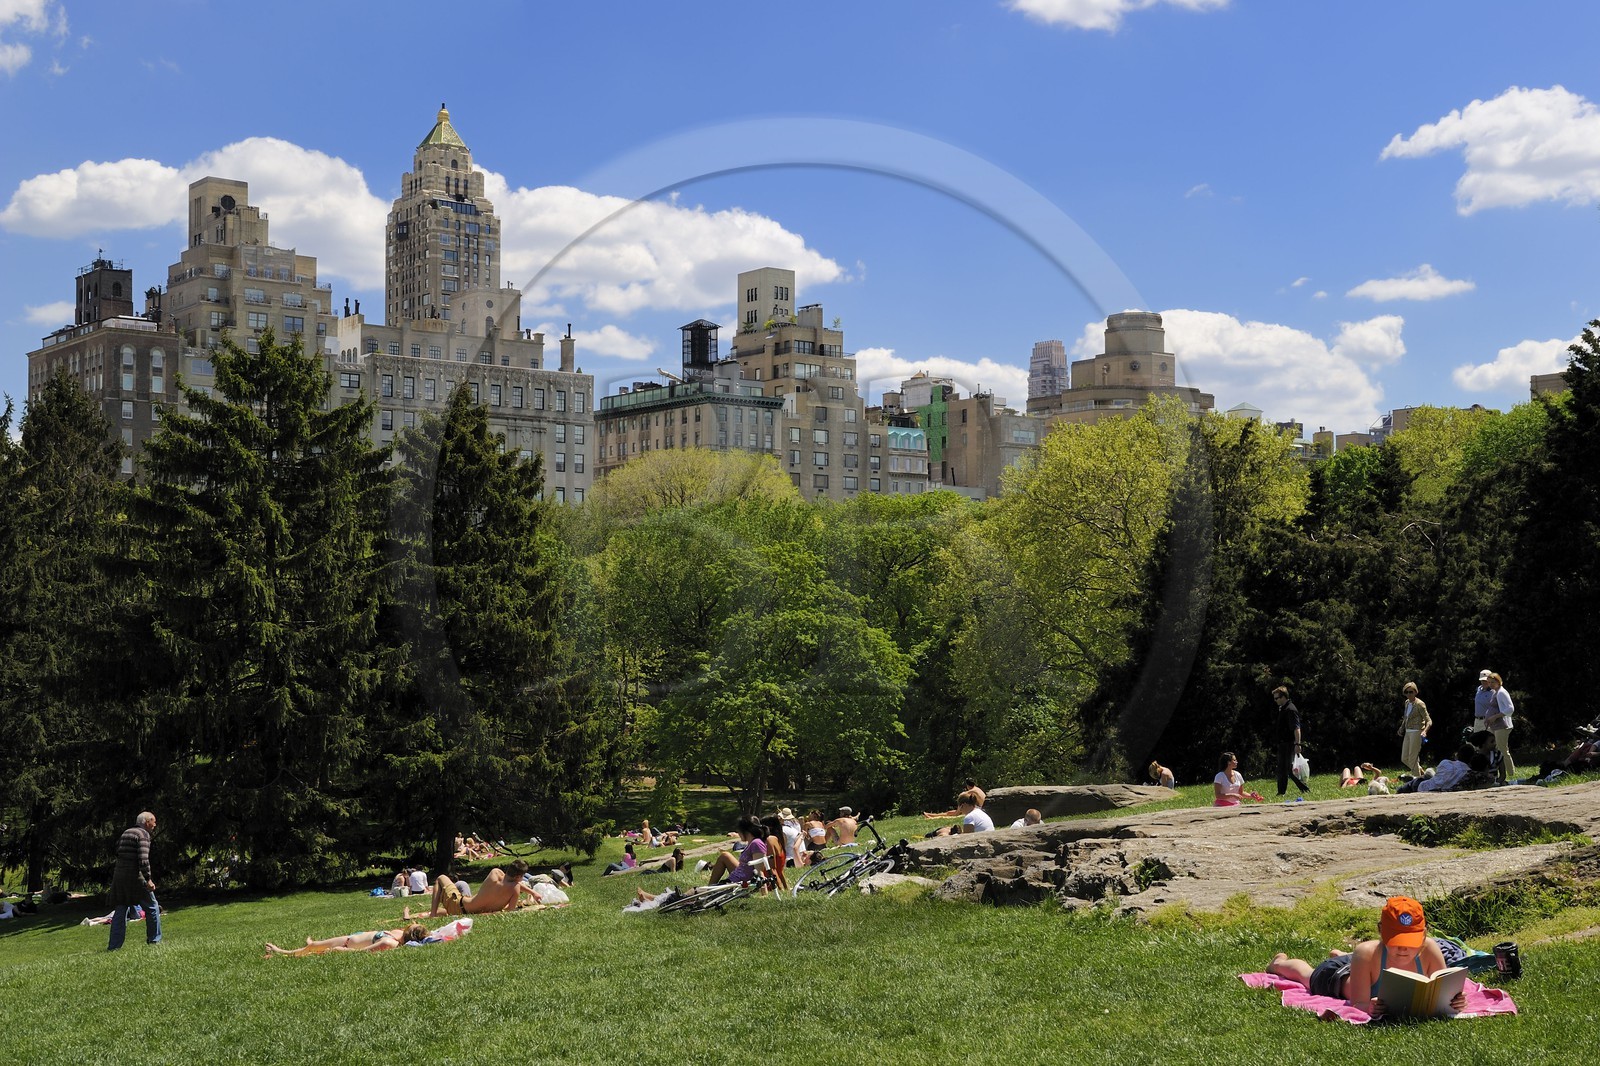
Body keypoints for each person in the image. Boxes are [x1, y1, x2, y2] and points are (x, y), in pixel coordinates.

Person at [1266, 896, 1467, 1018]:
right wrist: (1367, 1007)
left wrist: (1456, 1001)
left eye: (1412, 942)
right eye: (1396, 942)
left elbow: (1444, 991)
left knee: (1359, 961)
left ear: (1424, 934)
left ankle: (1343, 955)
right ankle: (1279, 963)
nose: (1404, 949)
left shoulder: (1430, 949)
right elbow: (1357, 1004)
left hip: (1361, 965)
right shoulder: (1366, 952)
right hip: (1335, 977)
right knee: (1306, 976)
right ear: (1381, 932)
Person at [108, 811, 161, 951]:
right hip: (135, 878)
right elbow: (143, 859)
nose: (155, 825)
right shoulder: (143, 835)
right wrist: (148, 879)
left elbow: (117, 851)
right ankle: (154, 940)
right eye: (153, 821)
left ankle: (114, 947)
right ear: (146, 822)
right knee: (152, 907)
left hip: (119, 877)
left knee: (120, 910)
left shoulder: (126, 832)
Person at [416, 860, 538, 917]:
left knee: (441, 878)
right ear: (518, 877)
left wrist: (532, 892)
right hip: (470, 912)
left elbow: (507, 878)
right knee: (443, 880)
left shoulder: (495, 873)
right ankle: (433, 914)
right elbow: (510, 911)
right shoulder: (515, 889)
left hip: (459, 906)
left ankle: (432, 914)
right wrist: (533, 892)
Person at [266, 922, 430, 956]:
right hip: (350, 938)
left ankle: (281, 952)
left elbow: (364, 952)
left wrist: (344, 951)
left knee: (313, 950)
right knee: (315, 946)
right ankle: (306, 946)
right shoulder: (397, 934)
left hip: (346, 944)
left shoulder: (390, 943)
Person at [704, 817, 771, 889]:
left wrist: (764, 892)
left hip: (739, 884)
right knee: (725, 855)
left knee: (693, 892)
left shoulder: (756, 843)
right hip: (737, 879)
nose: (738, 833)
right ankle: (709, 888)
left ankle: (708, 889)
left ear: (745, 831)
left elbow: (759, 871)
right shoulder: (753, 842)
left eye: (738, 830)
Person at [1272, 686, 1311, 798]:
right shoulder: (1283, 708)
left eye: (1277, 698)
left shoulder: (1290, 709)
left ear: (1284, 697)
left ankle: (1302, 789)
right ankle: (1283, 791)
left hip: (1288, 744)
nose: (1276, 701)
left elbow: (1296, 728)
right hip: (1283, 743)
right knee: (1284, 769)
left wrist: (1297, 744)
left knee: (1287, 769)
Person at [1485, 672, 1517, 783]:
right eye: (1489, 683)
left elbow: (1510, 708)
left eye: (1493, 682)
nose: (1490, 685)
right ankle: (1500, 772)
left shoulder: (1502, 693)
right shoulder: (1496, 692)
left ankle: (1511, 773)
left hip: (1503, 725)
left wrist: (1495, 716)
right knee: (1497, 749)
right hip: (1496, 725)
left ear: (1498, 682)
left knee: (1503, 749)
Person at [1398, 682, 1432, 778]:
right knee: (1404, 758)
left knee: (1413, 758)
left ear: (1415, 692)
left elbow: (1429, 720)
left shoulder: (1420, 704)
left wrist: (1425, 731)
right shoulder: (1407, 703)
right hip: (1408, 732)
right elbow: (1406, 718)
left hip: (1417, 732)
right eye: (1406, 692)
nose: (1409, 694)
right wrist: (1402, 727)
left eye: (1411, 692)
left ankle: (1417, 779)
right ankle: (1421, 772)